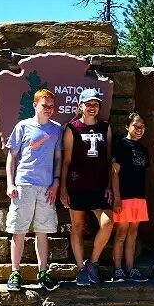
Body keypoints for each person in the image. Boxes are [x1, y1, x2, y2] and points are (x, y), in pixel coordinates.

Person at [4, 89, 63, 292]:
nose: (48, 109)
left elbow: (58, 158)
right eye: (45, 105)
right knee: (18, 230)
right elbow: (12, 156)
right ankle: (15, 272)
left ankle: (43, 272)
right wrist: (10, 183)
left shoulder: (57, 129)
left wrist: (56, 182)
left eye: (51, 106)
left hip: (46, 187)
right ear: (35, 105)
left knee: (43, 231)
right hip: (24, 184)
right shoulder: (22, 126)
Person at [59, 88, 113, 287]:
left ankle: (93, 262)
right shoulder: (72, 128)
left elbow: (108, 159)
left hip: (99, 186)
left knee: (107, 223)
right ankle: (81, 268)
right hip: (77, 185)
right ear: (80, 106)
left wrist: (109, 185)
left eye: (95, 104)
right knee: (78, 226)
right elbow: (66, 161)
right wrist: (63, 189)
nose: (92, 107)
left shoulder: (105, 127)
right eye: (88, 103)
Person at [111, 113, 151, 283]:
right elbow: (114, 173)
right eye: (136, 126)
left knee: (133, 233)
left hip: (139, 197)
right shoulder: (121, 145)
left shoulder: (143, 149)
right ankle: (117, 269)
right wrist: (117, 197)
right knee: (121, 233)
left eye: (142, 126)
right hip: (124, 197)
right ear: (127, 126)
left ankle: (130, 268)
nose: (139, 129)